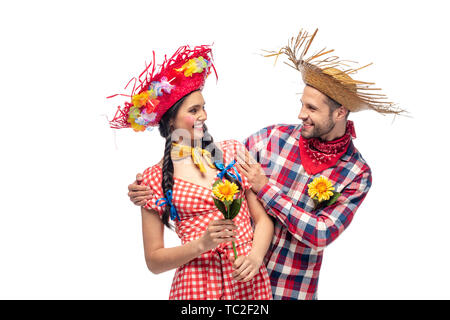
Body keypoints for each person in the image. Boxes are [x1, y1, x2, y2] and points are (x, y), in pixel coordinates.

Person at [127, 29, 404, 299]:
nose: (300, 114)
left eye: (312, 109)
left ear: (340, 112)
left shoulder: (356, 173)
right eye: (302, 104)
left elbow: (320, 233)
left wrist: (264, 189)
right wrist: (149, 186)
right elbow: (206, 161)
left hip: (288, 285)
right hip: (213, 284)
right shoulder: (271, 139)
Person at [110, 45, 273, 300]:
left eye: (203, 107)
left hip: (246, 281)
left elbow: (262, 220)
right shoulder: (152, 180)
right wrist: (201, 245)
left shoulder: (232, 153)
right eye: (193, 110)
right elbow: (154, 261)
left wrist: (255, 257)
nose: (204, 115)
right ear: (171, 120)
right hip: (196, 287)